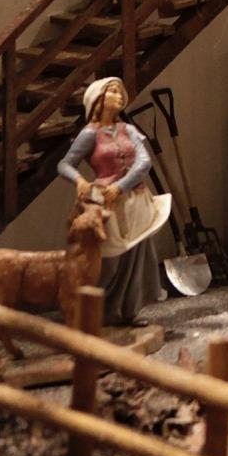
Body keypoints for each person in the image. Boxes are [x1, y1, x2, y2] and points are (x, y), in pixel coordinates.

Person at [56, 76, 169, 324]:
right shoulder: (90, 134)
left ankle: (128, 311)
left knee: (137, 254)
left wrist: (121, 186)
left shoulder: (129, 130)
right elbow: (64, 164)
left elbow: (144, 162)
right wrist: (80, 181)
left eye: (120, 92)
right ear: (99, 98)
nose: (119, 96)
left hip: (135, 198)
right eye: (113, 91)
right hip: (105, 203)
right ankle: (96, 310)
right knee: (109, 258)